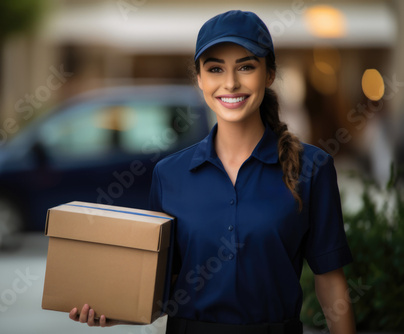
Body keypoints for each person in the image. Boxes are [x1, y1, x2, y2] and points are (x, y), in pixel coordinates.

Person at [69, 10, 356, 334]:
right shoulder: (169, 175)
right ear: (200, 79)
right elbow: (164, 289)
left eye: (246, 67)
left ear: (270, 74)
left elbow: (331, 282)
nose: (230, 83)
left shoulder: (312, 169)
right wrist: (116, 310)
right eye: (215, 68)